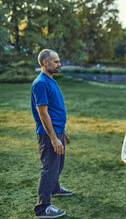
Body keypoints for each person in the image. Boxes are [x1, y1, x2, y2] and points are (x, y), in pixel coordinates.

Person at [31, 49, 73, 219]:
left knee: (58, 165)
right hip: (48, 134)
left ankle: (55, 188)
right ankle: (42, 207)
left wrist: (62, 132)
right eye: (55, 61)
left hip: (57, 131)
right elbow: (43, 113)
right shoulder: (40, 83)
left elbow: (54, 110)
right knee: (49, 169)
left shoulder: (50, 80)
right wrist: (54, 138)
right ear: (45, 63)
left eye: (59, 61)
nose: (59, 64)